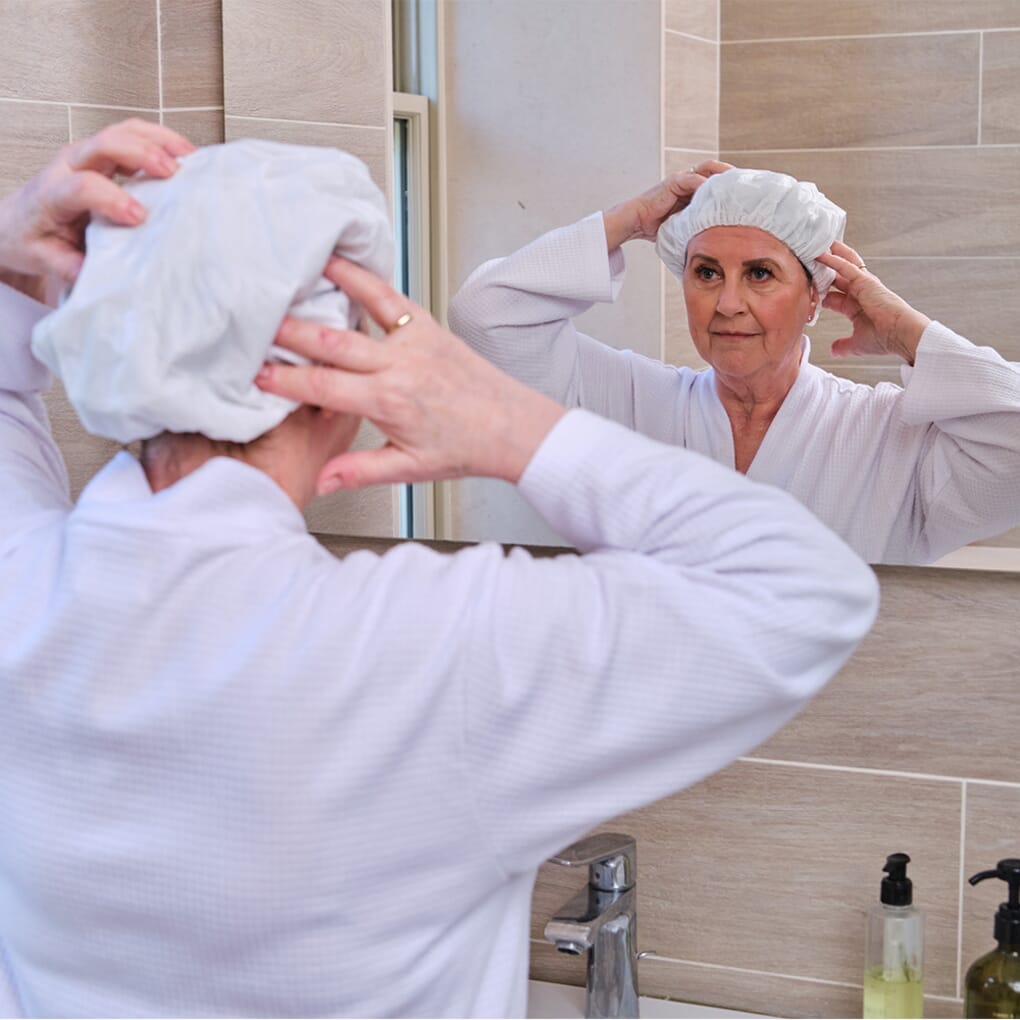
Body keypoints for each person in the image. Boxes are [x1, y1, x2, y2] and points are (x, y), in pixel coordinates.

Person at [0, 121, 878, 1018]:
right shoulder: (422, 648)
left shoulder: (20, 587)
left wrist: (9, 268)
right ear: (344, 378)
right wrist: (507, 422)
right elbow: (806, 591)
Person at [447, 165, 1020, 566]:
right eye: (706, 272)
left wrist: (903, 330)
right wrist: (632, 219)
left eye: (761, 274)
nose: (727, 303)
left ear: (816, 296)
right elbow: (487, 314)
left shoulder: (888, 438)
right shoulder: (629, 403)